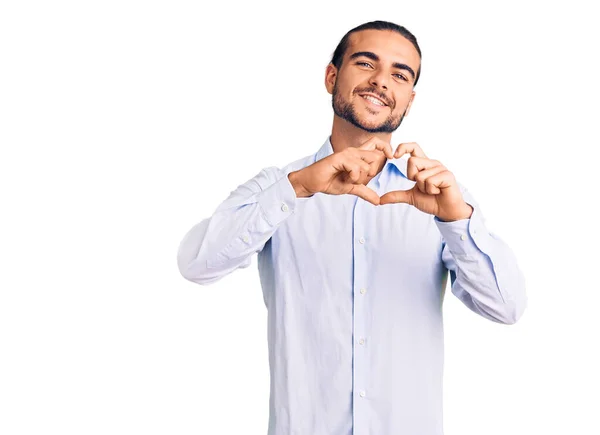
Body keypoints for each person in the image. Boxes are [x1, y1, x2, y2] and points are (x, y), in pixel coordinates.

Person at [177, 20, 527, 435]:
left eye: (400, 74)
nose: (381, 82)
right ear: (331, 77)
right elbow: (197, 264)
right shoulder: (279, 186)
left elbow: (506, 308)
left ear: (408, 101)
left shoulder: (441, 197)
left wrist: (455, 219)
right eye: (366, 63)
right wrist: (296, 188)